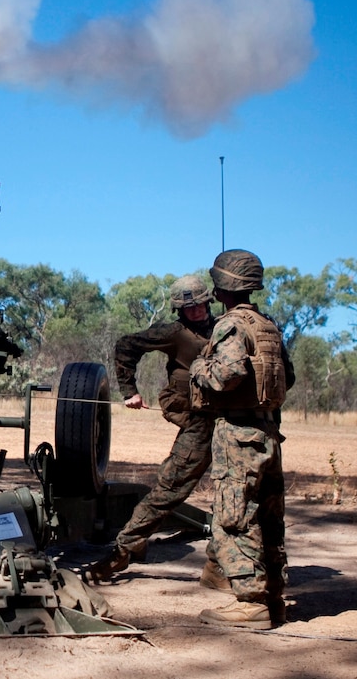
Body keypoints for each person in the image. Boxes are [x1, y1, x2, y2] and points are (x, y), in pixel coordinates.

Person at [87, 275, 226, 589]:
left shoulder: (226, 329)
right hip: (199, 425)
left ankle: (223, 563)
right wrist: (129, 391)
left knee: (239, 494)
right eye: (187, 307)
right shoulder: (176, 333)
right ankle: (126, 547)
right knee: (169, 487)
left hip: (234, 424)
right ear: (179, 309)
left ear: (209, 300)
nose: (195, 311)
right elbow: (126, 345)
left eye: (199, 304)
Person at [189, 249, 295, 629]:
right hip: (268, 430)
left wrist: (200, 367)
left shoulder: (231, 325)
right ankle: (273, 596)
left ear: (221, 287)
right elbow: (289, 376)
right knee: (269, 516)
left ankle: (251, 604)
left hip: (237, 433)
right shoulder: (267, 325)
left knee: (234, 516)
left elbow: (227, 374)